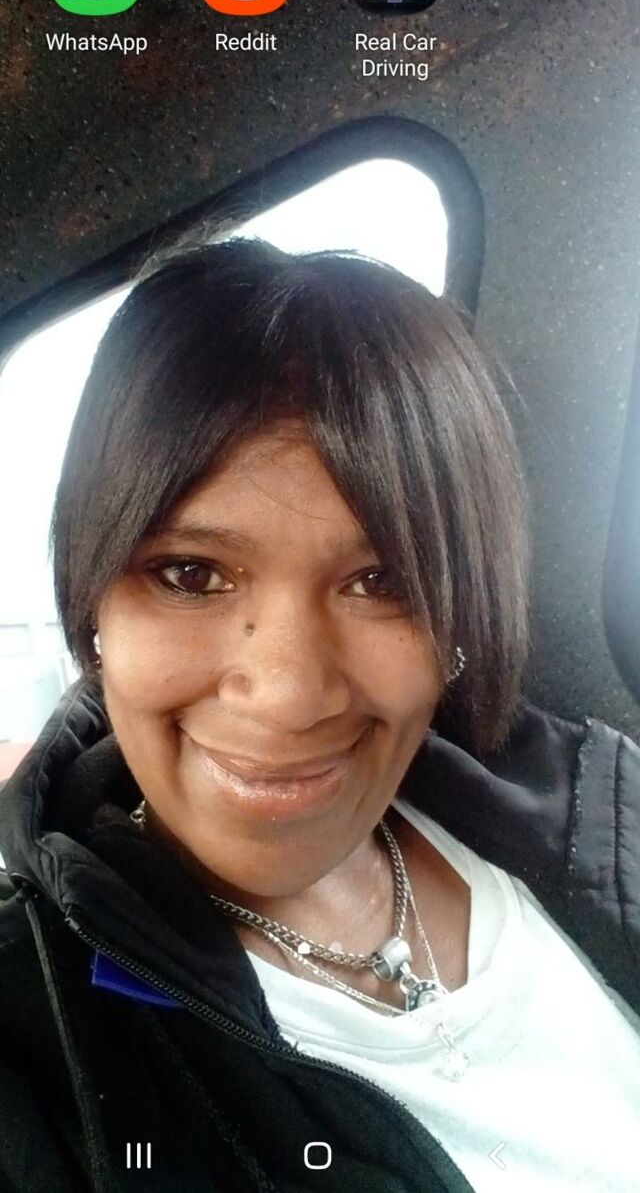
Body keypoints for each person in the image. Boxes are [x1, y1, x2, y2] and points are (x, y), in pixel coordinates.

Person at [0, 240, 639, 1193]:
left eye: (381, 580)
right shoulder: (36, 1037)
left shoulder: (604, 805)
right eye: (191, 574)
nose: (291, 691)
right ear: (93, 605)